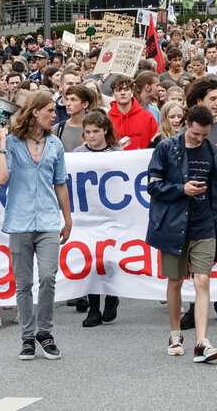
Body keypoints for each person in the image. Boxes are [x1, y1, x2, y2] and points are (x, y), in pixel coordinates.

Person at [0, 92, 72, 361]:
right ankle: (27, 336)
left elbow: (60, 183)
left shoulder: (56, 144)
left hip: (48, 219)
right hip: (20, 221)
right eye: (49, 110)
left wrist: (67, 218)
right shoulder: (12, 142)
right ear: (35, 112)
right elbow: (1, 178)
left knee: (47, 277)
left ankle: (45, 332)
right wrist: (2, 142)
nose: (54, 114)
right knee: (23, 284)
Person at [146, 106, 217, 364]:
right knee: (175, 281)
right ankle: (175, 333)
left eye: (204, 135)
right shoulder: (167, 148)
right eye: (195, 134)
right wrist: (182, 189)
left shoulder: (214, 153)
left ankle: (202, 341)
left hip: (204, 224)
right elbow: (153, 185)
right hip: (173, 225)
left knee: (202, 280)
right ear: (185, 124)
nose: (199, 139)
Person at [74, 110, 122, 328]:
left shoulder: (117, 153)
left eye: (95, 131)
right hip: (88, 214)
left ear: (105, 131)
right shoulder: (77, 153)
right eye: (87, 132)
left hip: (111, 214)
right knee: (91, 259)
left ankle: (112, 297)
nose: (91, 136)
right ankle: (94, 307)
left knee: (110, 258)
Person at [106, 75, 157, 151]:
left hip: (142, 161)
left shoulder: (147, 117)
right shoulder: (106, 119)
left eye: (126, 89)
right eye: (118, 90)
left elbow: (156, 143)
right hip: (115, 161)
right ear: (113, 93)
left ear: (132, 92)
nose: (122, 93)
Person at [54, 84, 93, 152]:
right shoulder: (58, 129)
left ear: (85, 104)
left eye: (73, 99)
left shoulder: (96, 128)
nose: (68, 104)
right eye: (67, 99)